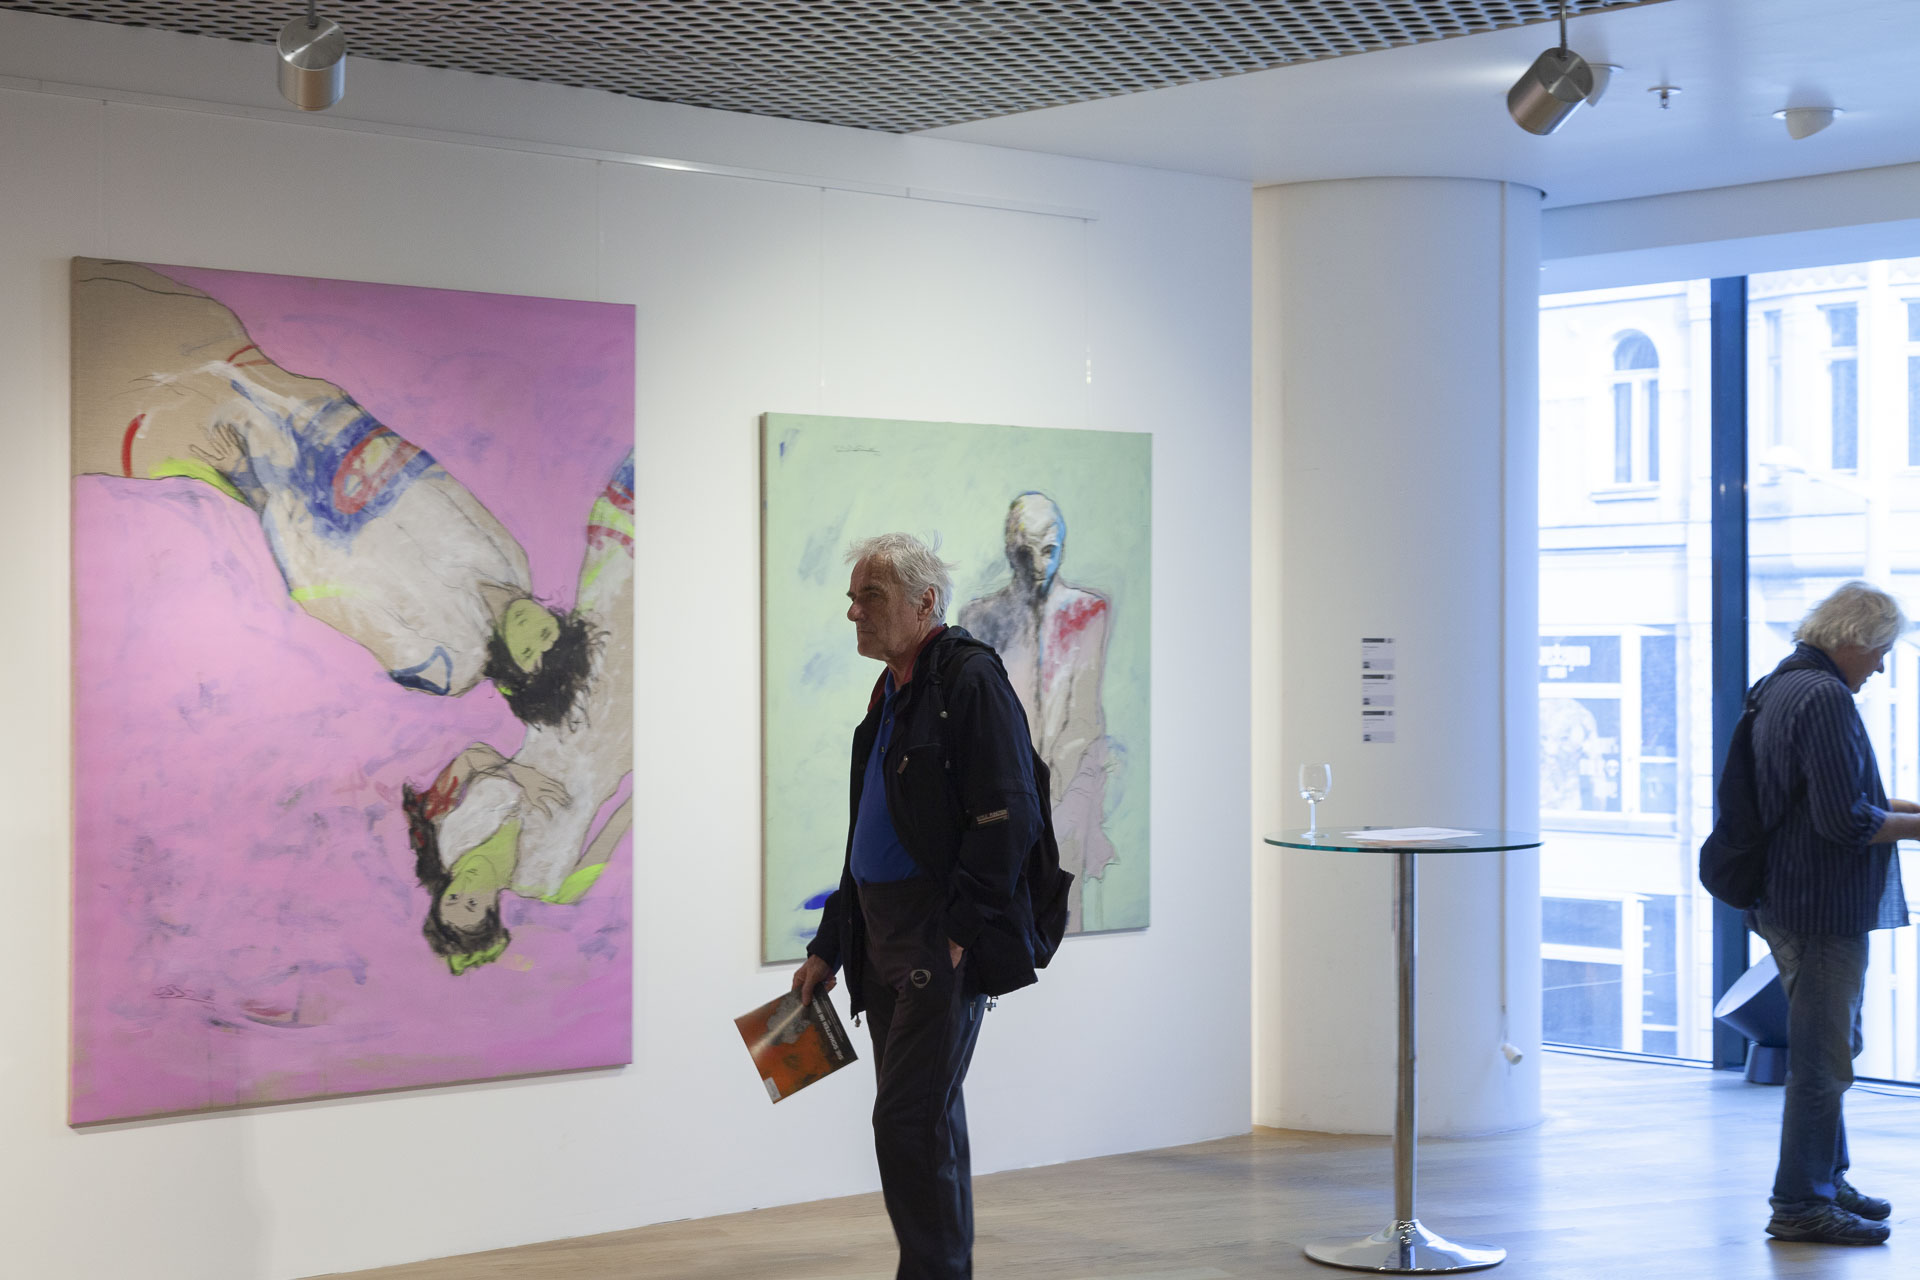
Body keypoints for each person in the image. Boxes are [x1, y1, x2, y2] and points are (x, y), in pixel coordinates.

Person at [70, 258, 591, 724]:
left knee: (159, 408)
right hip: (335, 430)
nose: (533, 630)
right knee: (200, 338)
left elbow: (329, 596)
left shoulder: (448, 664)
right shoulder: (512, 562)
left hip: (295, 499)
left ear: (510, 681)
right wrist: (344, 414)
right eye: (549, 632)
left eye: (532, 652)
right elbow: (430, 476)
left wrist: (257, 488)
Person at [792, 533, 1047, 1280]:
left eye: (869, 596)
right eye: (852, 598)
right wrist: (829, 945)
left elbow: (1010, 816)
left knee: (906, 1120)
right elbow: (866, 835)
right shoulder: (890, 694)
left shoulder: (968, 679)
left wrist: (959, 934)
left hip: (936, 940)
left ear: (924, 601)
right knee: (926, 1117)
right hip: (880, 939)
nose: (853, 613)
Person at [403, 451, 637, 973]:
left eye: (451, 900)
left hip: (560, 708)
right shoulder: (551, 884)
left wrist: (520, 776)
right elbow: (623, 819)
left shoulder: (447, 833)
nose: (464, 893)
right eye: (471, 907)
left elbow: (471, 758)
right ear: (492, 912)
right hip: (621, 739)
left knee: (611, 597)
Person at [1750, 580, 1919, 1246]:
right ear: (1854, 639)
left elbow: (1831, 798)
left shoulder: (1782, 684)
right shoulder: (1823, 697)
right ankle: (1800, 1204)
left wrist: (1907, 811)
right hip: (1820, 904)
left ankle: (1825, 1179)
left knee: (1834, 1047)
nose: (1879, 667)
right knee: (1824, 1062)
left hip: (1789, 895)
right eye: (1880, 652)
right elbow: (1846, 822)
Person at [958, 492, 1112, 931]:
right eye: (1027, 552)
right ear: (1012, 552)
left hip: (1068, 792)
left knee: (1060, 917)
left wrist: (1049, 795)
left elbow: (1083, 717)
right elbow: (982, 723)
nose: (1040, 565)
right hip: (1001, 801)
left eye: (1049, 550)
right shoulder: (979, 617)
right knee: (997, 919)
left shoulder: (1087, 612)